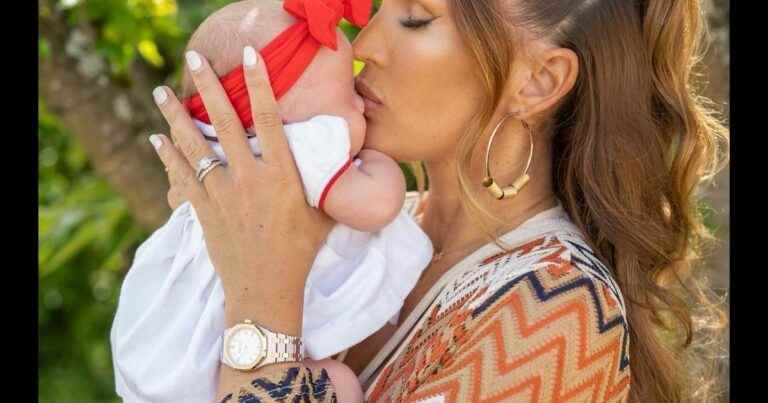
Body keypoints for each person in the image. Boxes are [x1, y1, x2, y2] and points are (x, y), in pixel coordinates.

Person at [147, 0, 728, 401]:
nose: (363, 45)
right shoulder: (366, 226)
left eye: (416, 19)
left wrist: (262, 311)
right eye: (379, 11)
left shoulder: (556, 312)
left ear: (538, 82)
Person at [110, 1, 430, 402]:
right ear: (277, 117)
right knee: (338, 382)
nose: (362, 102)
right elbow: (377, 205)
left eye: (418, 20)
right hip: (235, 360)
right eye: (349, 92)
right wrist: (380, 160)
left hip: (173, 355)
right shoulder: (305, 146)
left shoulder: (221, 153)